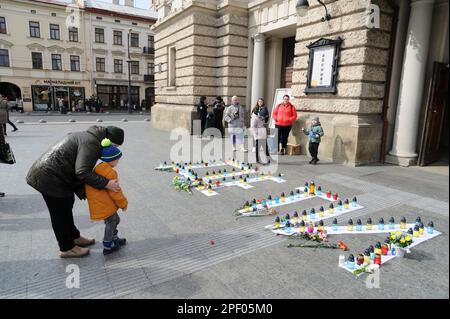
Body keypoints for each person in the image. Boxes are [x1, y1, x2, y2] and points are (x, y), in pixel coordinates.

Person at [26, 125, 125, 258]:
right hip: (49, 177)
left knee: (66, 206)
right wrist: (107, 183)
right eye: (115, 146)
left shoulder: (90, 137)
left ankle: (74, 237)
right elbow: (82, 171)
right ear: (108, 140)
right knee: (60, 213)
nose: (113, 150)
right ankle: (66, 248)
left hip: (55, 175)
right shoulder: (91, 143)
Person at [86, 138, 128, 255]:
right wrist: (123, 204)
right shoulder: (110, 172)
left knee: (115, 220)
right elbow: (115, 191)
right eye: (117, 160)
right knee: (111, 222)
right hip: (104, 203)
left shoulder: (99, 167)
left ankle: (114, 238)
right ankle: (108, 244)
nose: (118, 162)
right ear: (112, 160)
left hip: (102, 202)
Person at [250, 98, 270, 164]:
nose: (260, 103)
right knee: (257, 145)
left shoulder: (264, 108)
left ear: (263, 102)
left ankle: (268, 158)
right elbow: (252, 119)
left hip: (262, 128)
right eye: (259, 101)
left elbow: (266, 118)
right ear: (257, 102)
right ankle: (257, 159)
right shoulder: (255, 109)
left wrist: (263, 117)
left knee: (265, 145)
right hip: (256, 129)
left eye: (261, 101)